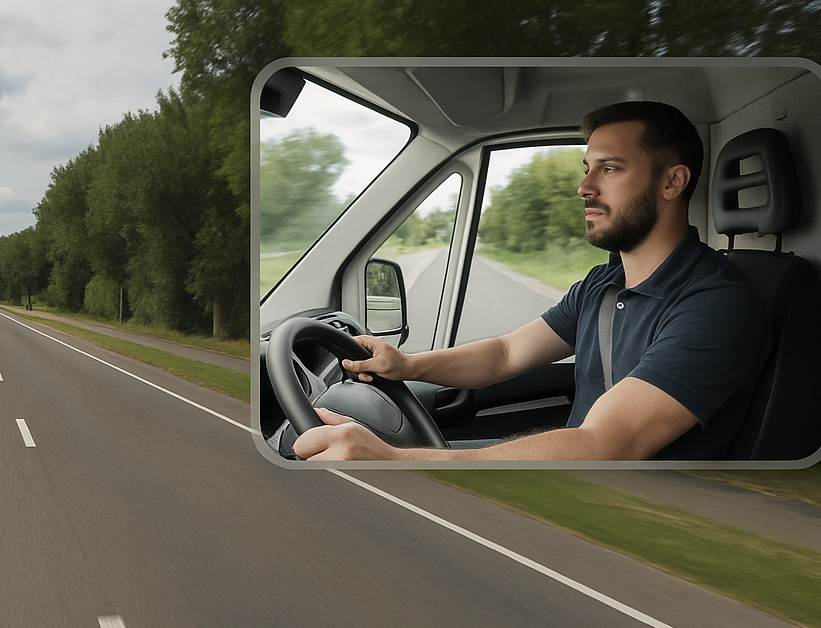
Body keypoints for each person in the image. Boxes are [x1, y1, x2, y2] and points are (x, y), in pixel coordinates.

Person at [293, 100, 771, 461]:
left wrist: (395, 461)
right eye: (587, 170)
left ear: (672, 183)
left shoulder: (717, 306)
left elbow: (605, 444)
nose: (584, 187)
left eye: (609, 169)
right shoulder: (602, 285)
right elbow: (506, 354)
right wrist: (408, 364)